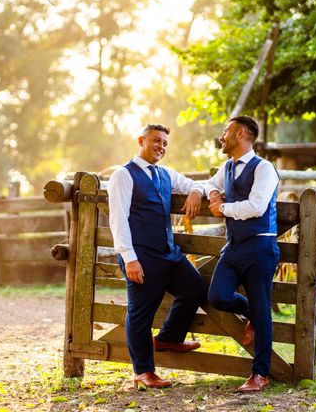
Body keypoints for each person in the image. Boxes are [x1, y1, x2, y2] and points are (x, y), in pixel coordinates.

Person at [108, 124, 208, 389]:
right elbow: (118, 219)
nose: (161, 147)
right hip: (140, 256)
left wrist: (196, 192)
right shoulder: (123, 175)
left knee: (195, 288)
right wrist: (129, 258)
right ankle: (143, 371)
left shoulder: (165, 174)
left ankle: (168, 338)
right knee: (140, 314)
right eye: (155, 141)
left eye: (164, 143)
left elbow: (195, 183)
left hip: (169, 255)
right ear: (141, 140)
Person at [205, 115, 280, 393]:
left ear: (241, 134)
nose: (222, 137)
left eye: (226, 131)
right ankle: (250, 312)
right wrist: (213, 195)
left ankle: (260, 375)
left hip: (260, 247)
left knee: (263, 311)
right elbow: (209, 184)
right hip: (234, 246)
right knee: (218, 296)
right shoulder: (226, 167)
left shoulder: (264, 169)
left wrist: (223, 209)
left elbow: (257, 207)